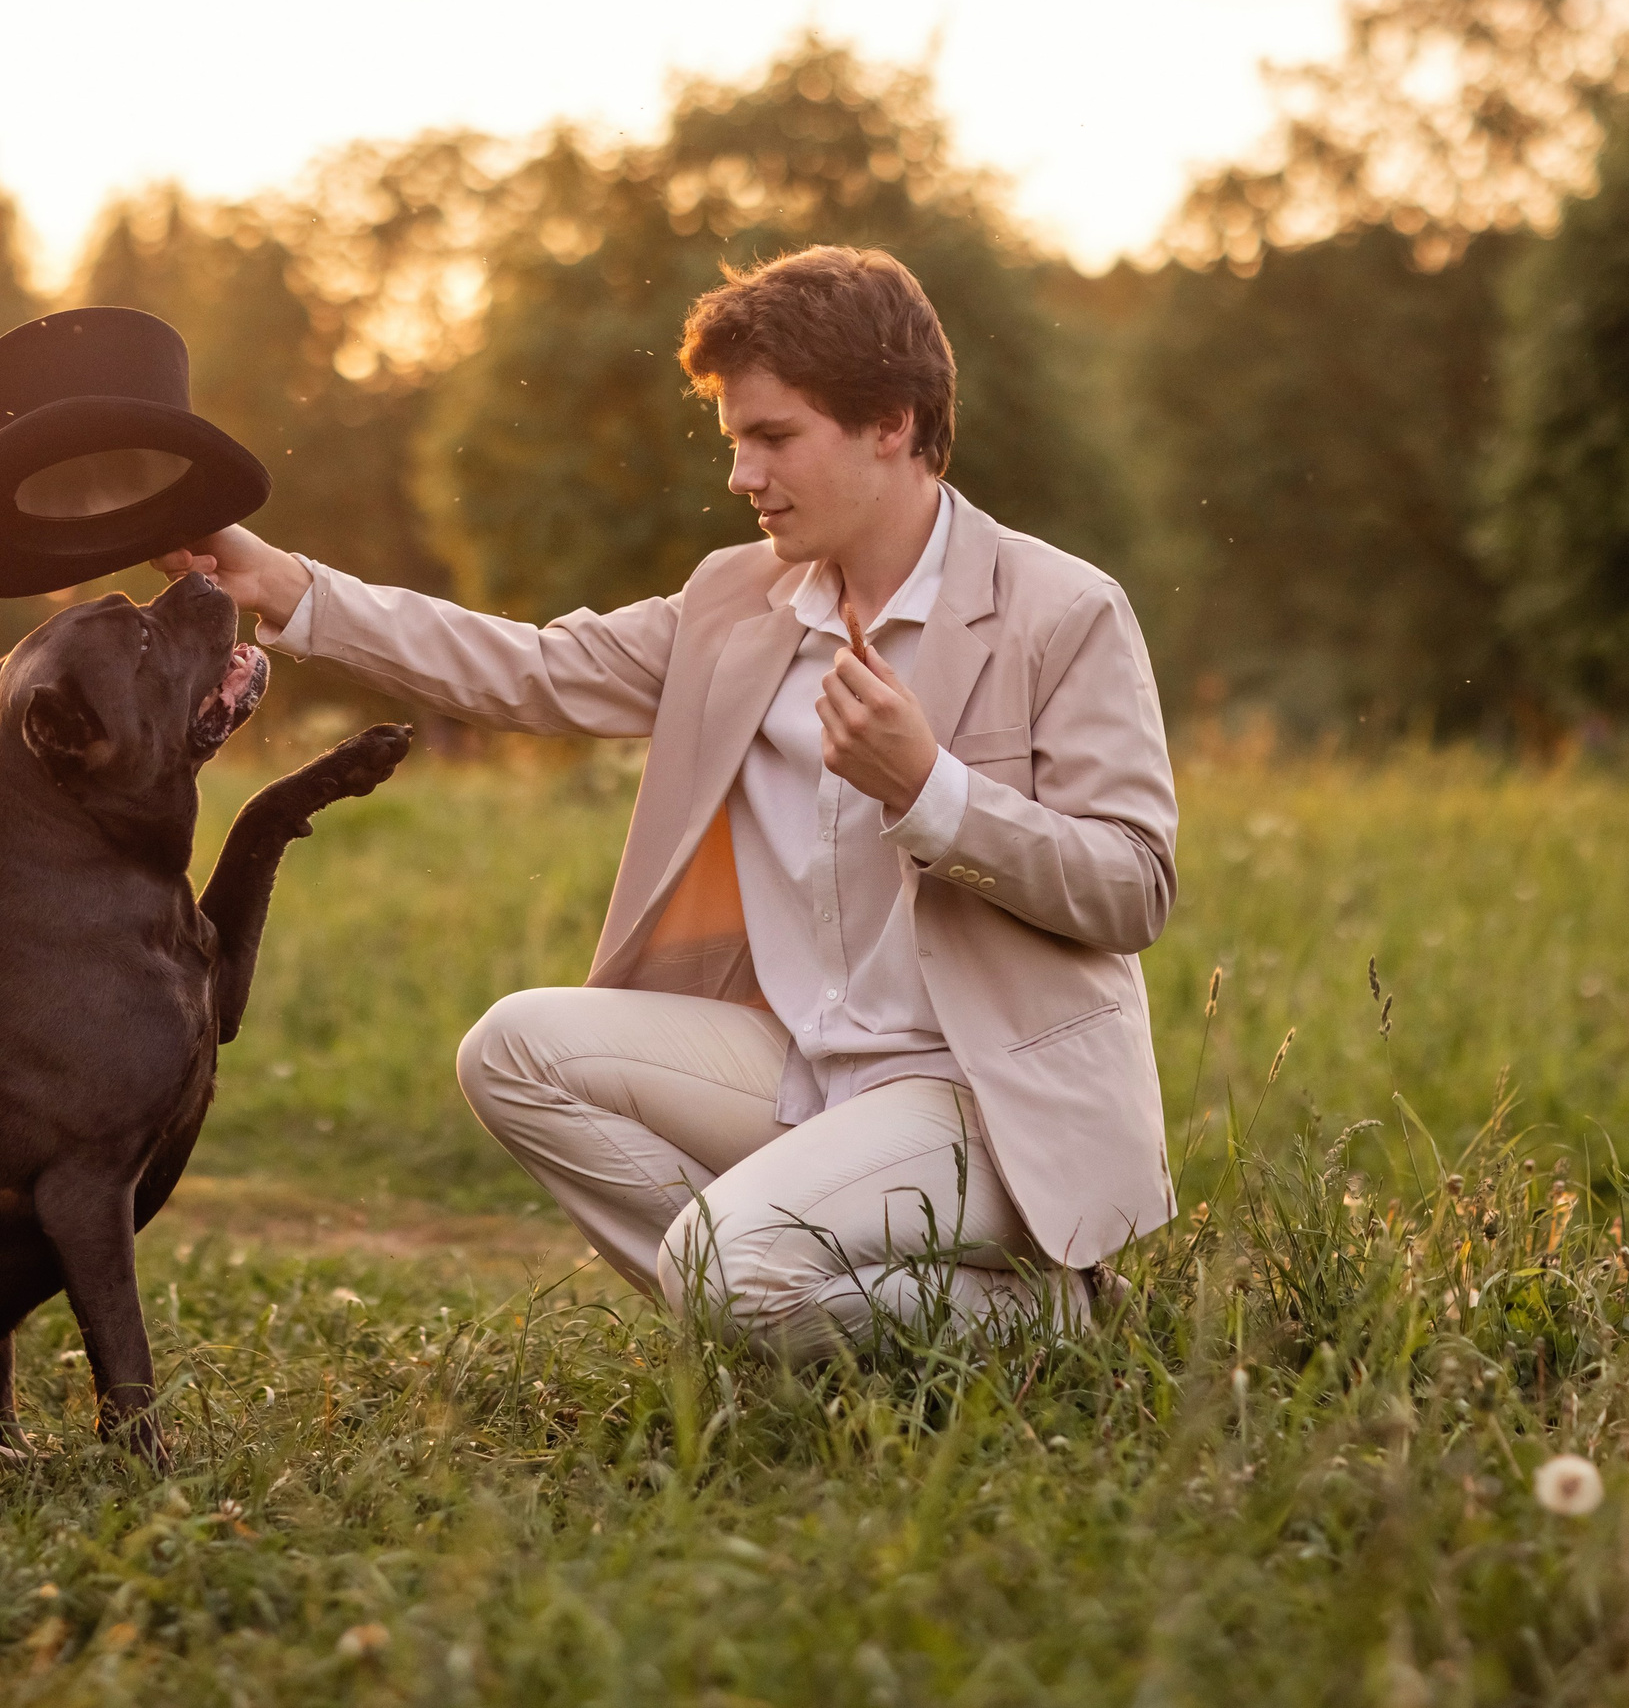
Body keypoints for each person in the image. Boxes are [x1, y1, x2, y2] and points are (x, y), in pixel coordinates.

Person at [161, 245, 1176, 1359]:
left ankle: (1043, 1323)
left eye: (774, 437)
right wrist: (290, 587)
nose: (743, 474)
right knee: (514, 1051)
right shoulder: (735, 601)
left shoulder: (1061, 610)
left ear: (891, 422)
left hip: (980, 1096)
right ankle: (773, 1296)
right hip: (796, 1066)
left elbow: (1132, 888)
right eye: (735, 439)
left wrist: (931, 791)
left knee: (722, 1268)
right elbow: (534, 669)